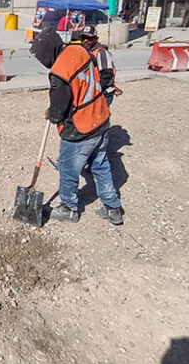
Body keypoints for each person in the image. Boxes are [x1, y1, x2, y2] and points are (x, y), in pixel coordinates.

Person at [30, 27, 124, 225]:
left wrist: (52, 113)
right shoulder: (81, 50)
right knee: (100, 163)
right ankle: (112, 207)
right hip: (100, 117)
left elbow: (58, 112)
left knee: (67, 167)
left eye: (40, 58)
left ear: (48, 52)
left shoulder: (59, 73)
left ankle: (69, 208)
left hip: (81, 127)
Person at [78, 24, 117, 106]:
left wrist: (97, 90)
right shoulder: (84, 52)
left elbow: (107, 74)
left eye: (89, 38)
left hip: (103, 94)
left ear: (95, 39)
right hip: (91, 93)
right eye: (83, 38)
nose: (85, 40)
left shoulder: (101, 52)